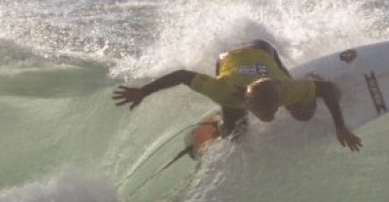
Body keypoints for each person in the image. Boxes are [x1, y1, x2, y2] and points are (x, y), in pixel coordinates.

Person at [112, 39, 362, 151]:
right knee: (236, 134)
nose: (272, 117)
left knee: (303, 113)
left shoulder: (284, 89)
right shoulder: (224, 90)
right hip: (228, 59)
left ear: (277, 99)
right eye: (265, 113)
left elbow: (328, 89)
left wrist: (340, 126)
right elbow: (180, 75)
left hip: (262, 49)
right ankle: (220, 125)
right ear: (248, 103)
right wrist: (143, 92)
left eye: (274, 110)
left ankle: (311, 78)